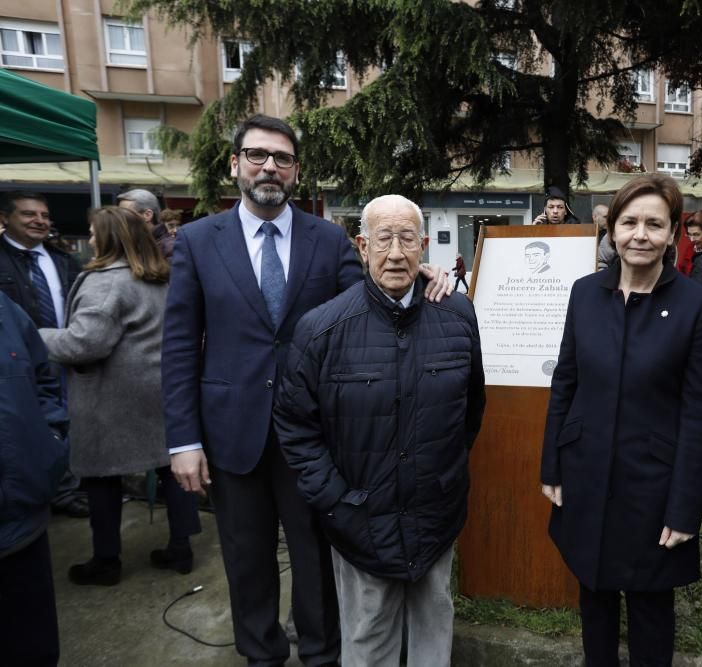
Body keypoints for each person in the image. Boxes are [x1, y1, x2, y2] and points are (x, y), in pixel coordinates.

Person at [162, 114, 450, 667]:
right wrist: (183, 441)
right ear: (236, 165)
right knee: (247, 560)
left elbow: (373, 294)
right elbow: (178, 345)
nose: (270, 166)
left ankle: (321, 653)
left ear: (296, 171)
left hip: (314, 437)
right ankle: (262, 655)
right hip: (230, 433)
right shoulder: (199, 242)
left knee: (315, 556)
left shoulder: (326, 239)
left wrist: (422, 270)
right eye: (257, 155)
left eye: (283, 158)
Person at [275, 194, 486, 667]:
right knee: (368, 636)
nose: (396, 253)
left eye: (407, 238)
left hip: (435, 514)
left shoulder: (457, 317)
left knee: (435, 625)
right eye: (384, 239)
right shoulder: (322, 329)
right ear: (361, 245)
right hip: (359, 519)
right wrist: (336, 500)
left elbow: (470, 411)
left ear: (424, 245)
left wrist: (445, 477)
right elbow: (295, 425)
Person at [540, 173, 702, 666]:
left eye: (654, 224)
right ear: (612, 231)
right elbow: (566, 382)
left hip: (654, 487)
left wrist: (686, 507)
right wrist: (551, 466)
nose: (640, 234)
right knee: (593, 597)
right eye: (629, 222)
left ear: (673, 233)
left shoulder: (698, 308)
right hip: (586, 473)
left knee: (649, 607)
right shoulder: (584, 294)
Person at [39, 207, 201, 585]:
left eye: (95, 233)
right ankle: (181, 547)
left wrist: (36, 335)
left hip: (111, 400)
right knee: (171, 468)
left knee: (101, 478)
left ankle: (106, 560)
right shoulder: (157, 278)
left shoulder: (105, 283)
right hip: (157, 391)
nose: (91, 239)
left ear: (109, 237)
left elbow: (84, 344)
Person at [0, 191, 87, 519]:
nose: (39, 221)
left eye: (44, 215)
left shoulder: (63, 259)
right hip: (20, 365)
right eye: (28, 214)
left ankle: (67, 485)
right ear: (5, 218)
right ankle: (45, 489)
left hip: (67, 356)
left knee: (66, 421)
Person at [0, 291, 68, 667]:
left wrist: (51, 442)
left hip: (23, 517)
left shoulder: (5, 309)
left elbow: (43, 380)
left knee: (34, 648)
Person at [675, 210, 702, 275]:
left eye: (696, 234)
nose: (692, 239)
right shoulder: (691, 248)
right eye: (689, 234)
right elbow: (681, 271)